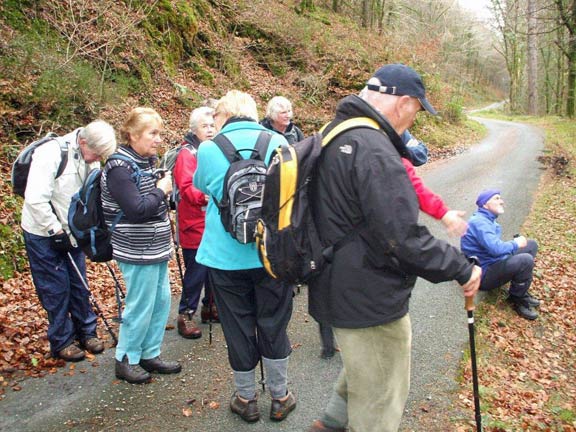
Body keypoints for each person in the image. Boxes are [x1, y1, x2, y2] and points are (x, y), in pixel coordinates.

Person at [306, 63, 482, 432]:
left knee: (364, 367)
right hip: (369, 296)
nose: (413, 121)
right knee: (381, 396)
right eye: (417, 111)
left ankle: (331, 423)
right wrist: (461, 268)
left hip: (335, 281)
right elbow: (402, 238)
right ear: (404, 103)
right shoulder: (374, 150)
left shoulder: (335, 132)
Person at [194, 90, 297, 423]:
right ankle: (280, 396)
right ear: (254, 114)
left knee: (237, 327)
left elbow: (202, 187)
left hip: (225, 258)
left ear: (223, 116)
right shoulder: (278, 143)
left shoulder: (209, 149)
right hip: (271, 256)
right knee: (274, 322)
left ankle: (246, 398)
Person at [21, 120, 116, 362]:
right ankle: (61, 340)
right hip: (42, 232)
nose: (96, 159)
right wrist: (54, 230)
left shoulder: (90, 157)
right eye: (95, 153)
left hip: (72, 231)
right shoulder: (50, 154)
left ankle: (87, 332)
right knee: (55, 287)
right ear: (82, 141)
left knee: (78, 282)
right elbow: (35, 199)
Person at [100, 107, 181, 384]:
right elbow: (136, 209)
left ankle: (149, 353)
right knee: (140, 304)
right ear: (133, 134)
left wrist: (165, 194)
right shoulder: (118, 167)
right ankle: (125, 358)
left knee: (160, 301)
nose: (159, 139)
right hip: (135, 248)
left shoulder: (148, 161)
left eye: (160, 133)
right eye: (153, 133)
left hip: (156, 246)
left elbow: (157, 203)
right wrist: (163, 190)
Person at [461, 189, 540, 320]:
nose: (501, 201)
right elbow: (496, 249)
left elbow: (495, 249)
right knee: (525, 260)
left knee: (531, 245)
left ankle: (521, 290)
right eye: (496, 198)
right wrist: (515, 244)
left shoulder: (488, 219)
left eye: (500, 198)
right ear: (485, 205)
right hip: (483, 274)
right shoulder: (479, 222)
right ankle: (517, 298)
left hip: (493, 262)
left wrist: (516, 245)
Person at [173, 106, 217, 339]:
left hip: (210, 221)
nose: (210, 130)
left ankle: (210, 307)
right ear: (194, 129)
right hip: (193, 223)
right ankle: (185, 314)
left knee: (213, 269)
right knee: (196, 272)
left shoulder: (213, 150)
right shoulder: (187, 154)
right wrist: (206, 195)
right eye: (204, 126)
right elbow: (186, 186)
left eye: (212, 125)